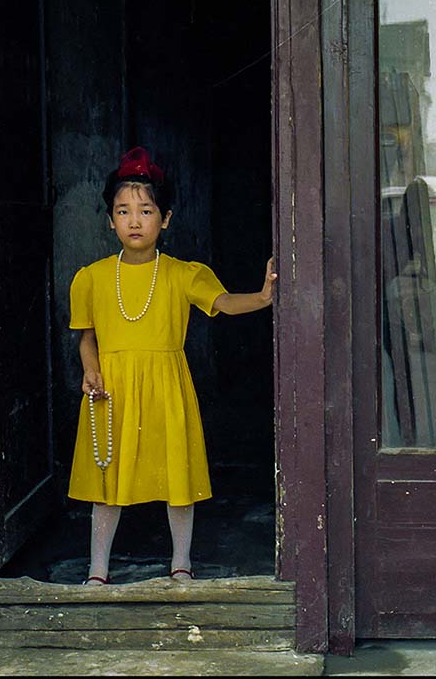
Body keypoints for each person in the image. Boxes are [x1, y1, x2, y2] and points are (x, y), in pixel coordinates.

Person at [67, 146, 276, 585]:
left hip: (166, 387)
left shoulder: (184, 274)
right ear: (110, 220)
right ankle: (97, 570)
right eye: (123, 211)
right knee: (108, 480)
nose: (135, 220)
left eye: (146, 210)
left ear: (165, 219)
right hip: (113, 390)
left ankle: (181, 562)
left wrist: (261, 297)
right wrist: (91, 370)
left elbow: (222, 303)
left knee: (177, 476)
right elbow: (88, 338)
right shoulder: (92, 277)